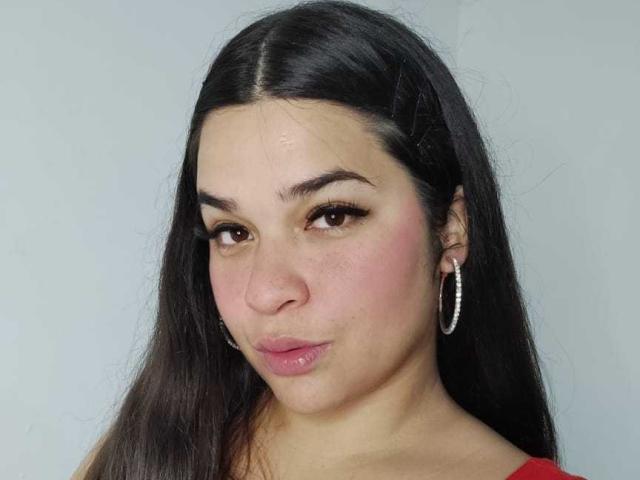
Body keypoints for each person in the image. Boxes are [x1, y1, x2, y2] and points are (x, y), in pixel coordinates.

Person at [72, 1, 589, 479]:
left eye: (330, 216)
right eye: (233, 231)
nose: (266, 291)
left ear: (451, 228)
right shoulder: (146, 450)